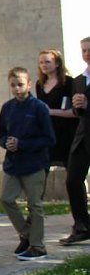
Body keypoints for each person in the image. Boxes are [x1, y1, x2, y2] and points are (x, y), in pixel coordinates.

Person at [0, 67, 55, 261]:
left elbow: (49, 138)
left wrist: (22, 144)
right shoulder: (7, 107)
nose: (16, 88)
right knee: (5, 198)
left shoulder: (39, 107)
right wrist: (6, 142)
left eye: (20, 84)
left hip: (34, 163)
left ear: (29, 85)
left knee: (34, 204)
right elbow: (1, 133)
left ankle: (38, 246)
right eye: (13, 85)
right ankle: (27, 233)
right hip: (13, 163)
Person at [61, 37, 90, 245]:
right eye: (84, 50)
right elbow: (78, 112)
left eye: (89, 50)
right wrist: (78, 106)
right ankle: (82, 226)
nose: (87, 54)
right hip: (82, 137)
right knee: (73, 180)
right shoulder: (79, 80)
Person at [35, 49, 78, 169]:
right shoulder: (40, 84)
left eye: (47, 62)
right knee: (43, 168)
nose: (44, 65)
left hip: (67, 132)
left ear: (57, 63)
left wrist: (51, 112)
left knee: (72, 169)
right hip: (48, 131)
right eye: (41, 62)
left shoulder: (69, 82)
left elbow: (76, 112)